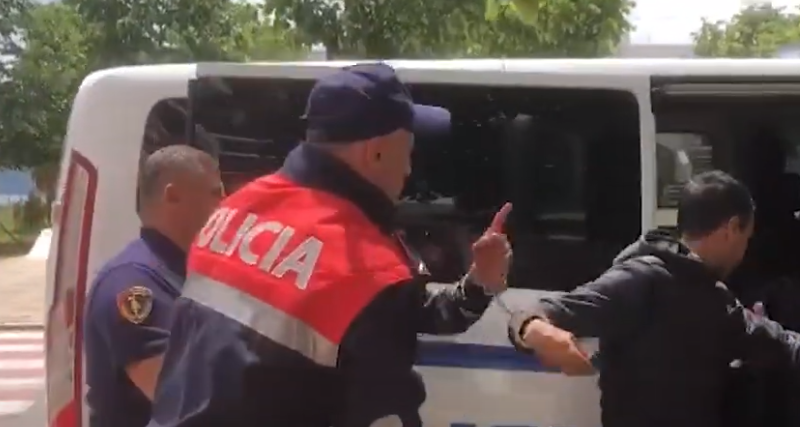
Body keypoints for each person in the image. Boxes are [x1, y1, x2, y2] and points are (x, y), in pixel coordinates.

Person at [147, 63, 512, 427]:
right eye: (408, 151)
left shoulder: (236, 209)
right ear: (376, 153)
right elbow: (386, 414)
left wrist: (478, 282)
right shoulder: (366, 267)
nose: (408, 169)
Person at [506, 170, 800, 427]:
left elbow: (784, 343)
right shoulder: (643, 278)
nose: (744, 252)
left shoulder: (714, 299)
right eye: (746, 239)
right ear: (731, 229)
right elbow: (540, 312)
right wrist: (534, 329)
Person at [83, 145, 223, 427]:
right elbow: (182, 398)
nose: (225, 204)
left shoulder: (175, 272)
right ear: (173, 196)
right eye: (215, 193)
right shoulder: (134, 284)